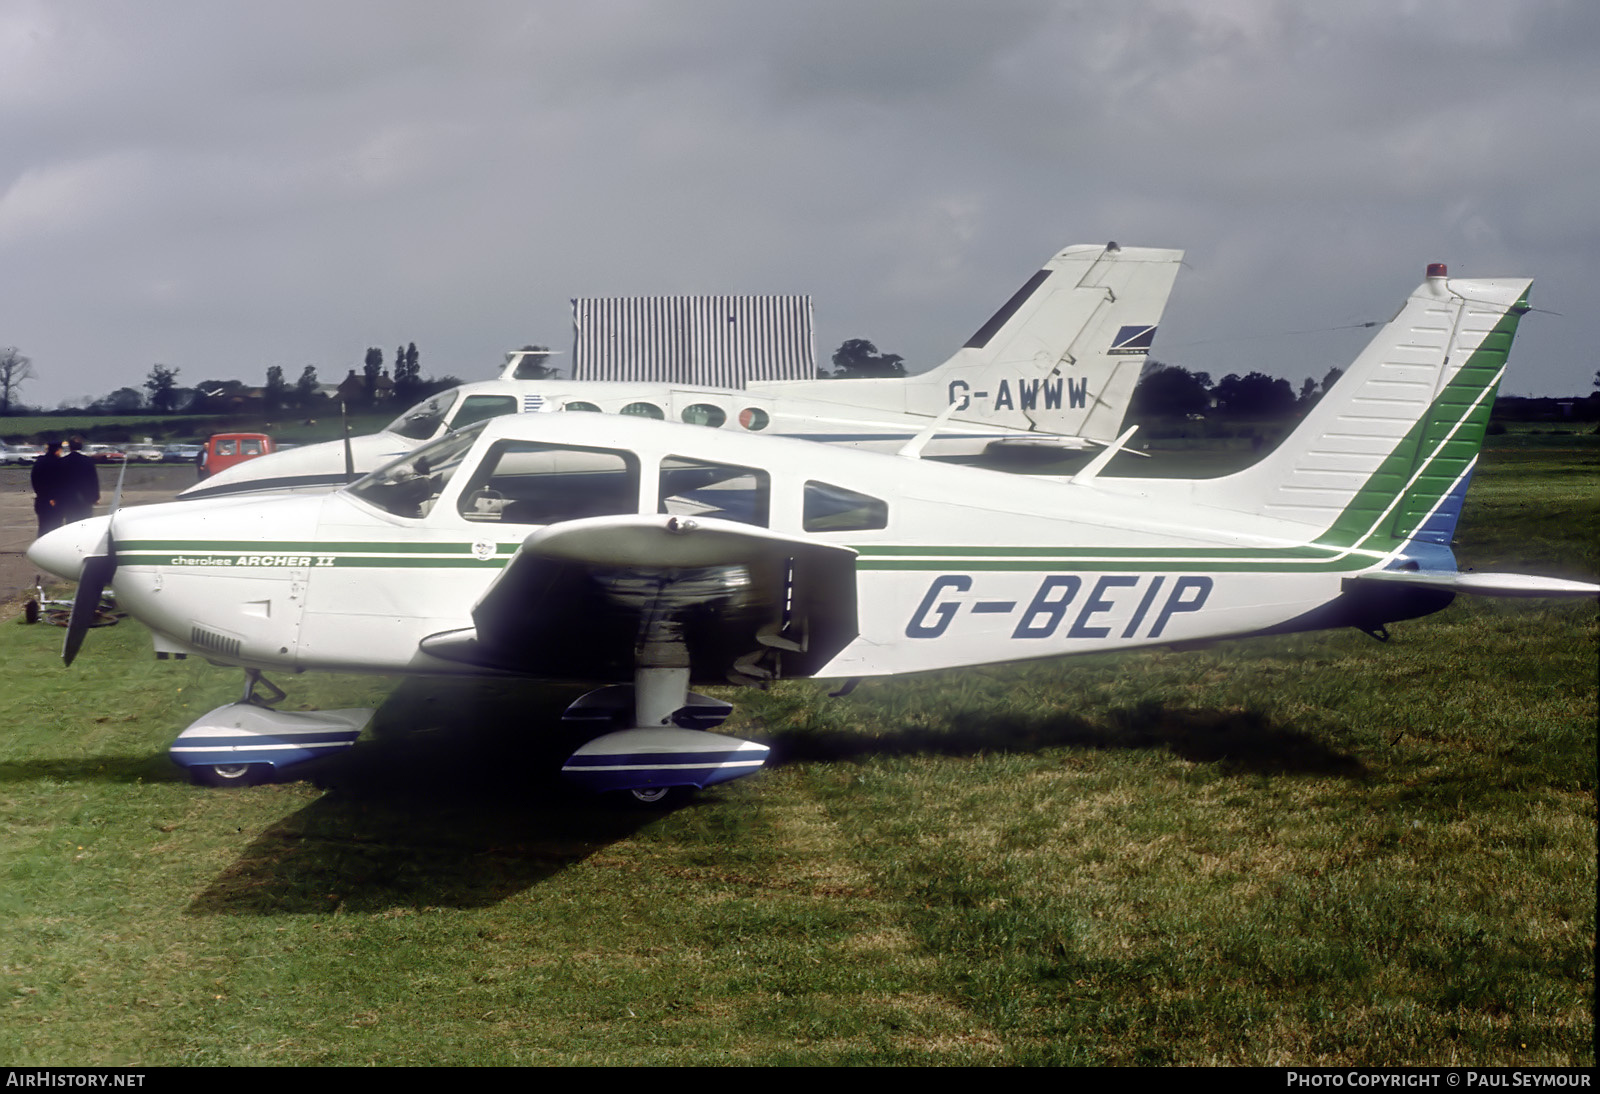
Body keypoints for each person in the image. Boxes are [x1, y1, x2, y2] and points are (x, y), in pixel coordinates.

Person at [58, 437, 101, 525]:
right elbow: (93, 480)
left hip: (69, 499)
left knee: (71, 522)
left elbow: (59, 482)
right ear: (81, 447)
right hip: (86, 498)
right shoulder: (88, 461)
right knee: (86, 522)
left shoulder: (63, 461)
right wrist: (95, 497)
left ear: (70, 447)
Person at [31, 440, 65, 537]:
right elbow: (60, 483)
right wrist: (53, 497)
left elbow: (35, 480)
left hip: (41, 500)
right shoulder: (58, 463)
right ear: (58, 450)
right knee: (56, 529)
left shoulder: (39, 462)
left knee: (43, 528)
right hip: (56, 502)